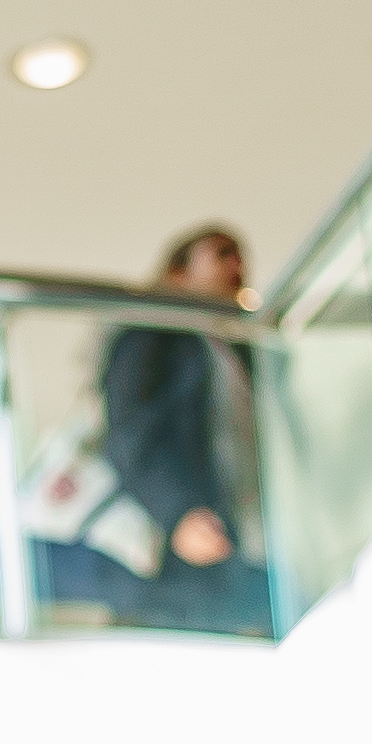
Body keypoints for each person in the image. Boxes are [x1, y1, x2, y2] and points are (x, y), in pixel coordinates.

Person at [103, 223, 263, 630]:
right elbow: (130, 431)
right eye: (222, 253)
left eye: (240, 255)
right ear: (178, 273)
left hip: (240, 529)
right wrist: (179, 513)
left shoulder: (238, 347)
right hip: (182, 537)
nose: (237, 265)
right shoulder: (151, 336)